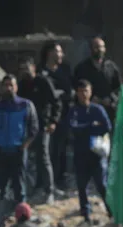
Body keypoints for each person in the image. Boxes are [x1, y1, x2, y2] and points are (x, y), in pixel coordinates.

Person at [0, 74, 38, 205]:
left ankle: (20, 214)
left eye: (11, 85)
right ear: (1, 87)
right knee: (1, 185)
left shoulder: (25, 105)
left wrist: (24, 145)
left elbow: (34, 128)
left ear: (16, 87)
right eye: (6, 85)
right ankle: (0, 215)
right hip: (1, 151)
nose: (8, 88)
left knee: (19, 185)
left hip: (18, 150)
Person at [67, 79, 112, 223]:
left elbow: (106, 127)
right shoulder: (73, 111)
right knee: (81, 186)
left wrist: (86, 128)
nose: (83, 94)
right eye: (80, 91)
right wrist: (90, 127)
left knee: (102, 184)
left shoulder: (97, 109)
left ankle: (111, 211)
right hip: (80, 154)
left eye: (86, 91)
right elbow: (71, 128)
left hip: (97, 155)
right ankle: (85, 214)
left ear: (90, 92)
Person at [18, 56, 60, 201]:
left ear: (33, 68)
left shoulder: (43, 82)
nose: (25, 72)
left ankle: (49, 190)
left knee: (43, 157)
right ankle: (37, 186)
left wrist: (54, 121)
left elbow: (56, 102)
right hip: (27, 127)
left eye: (27, 68)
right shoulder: (22, 85)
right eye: (23, 69)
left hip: (43, 125)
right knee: (31, 158)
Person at [39, 42, 75, 193]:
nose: (60, 55)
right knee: (45, 151)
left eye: (61, 52)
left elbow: (70, 92)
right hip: (46, 117)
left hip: (64, 115)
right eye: (57, 52)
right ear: (49, 53)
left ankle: (60, 180)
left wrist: (59, 93)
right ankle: (45, 183)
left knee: (60, 149)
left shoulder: (65, 70)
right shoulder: (42, 71)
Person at [73, 36, 123, 121]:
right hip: (88, 111)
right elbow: (75, 88)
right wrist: (89, 98)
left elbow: (119, 88)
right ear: (91, 49)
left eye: (102, 47)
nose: (100, 49)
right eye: (96, 47)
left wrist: (111, 99)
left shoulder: (111, 67)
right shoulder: (82, 68)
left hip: (109, 110)